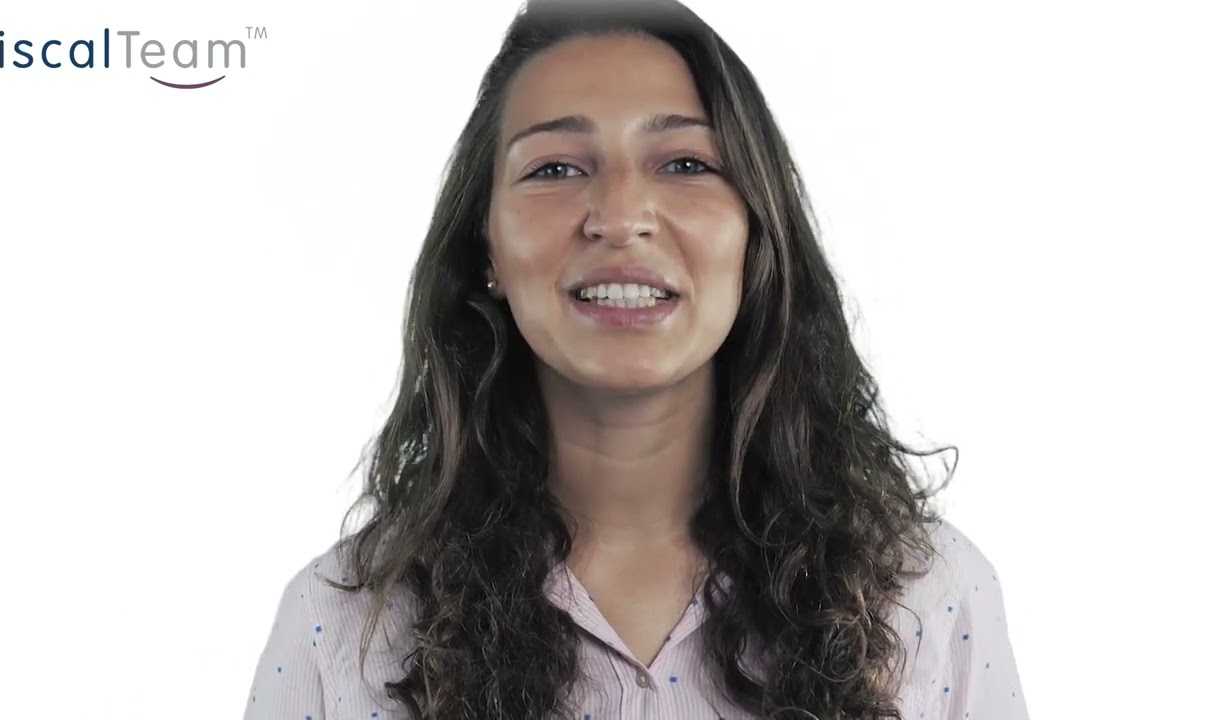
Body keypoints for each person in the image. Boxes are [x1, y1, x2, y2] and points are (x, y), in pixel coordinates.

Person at [242, 1, 1029, 718]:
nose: (620, 218)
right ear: (486, 248)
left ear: (755, 232)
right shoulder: (340, 626)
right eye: (555, 169)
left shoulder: (930, 596)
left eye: (685, 164)